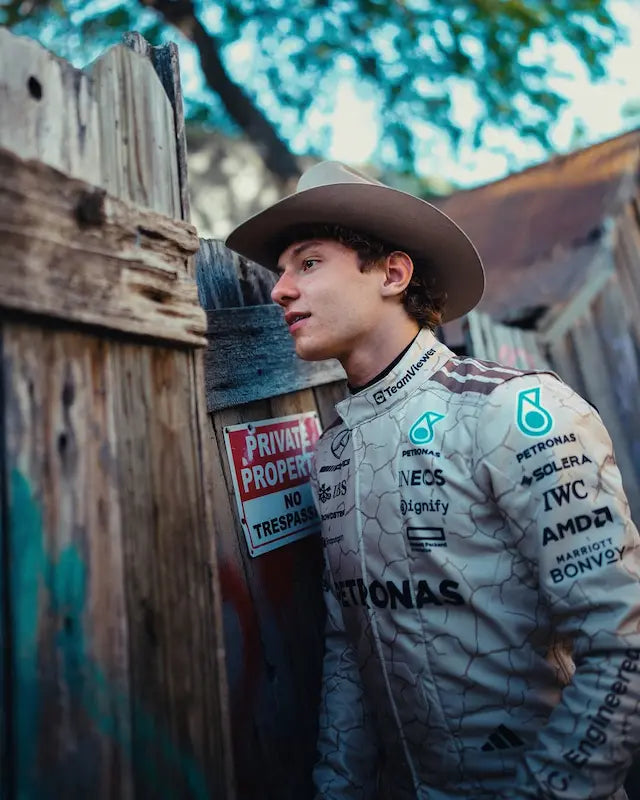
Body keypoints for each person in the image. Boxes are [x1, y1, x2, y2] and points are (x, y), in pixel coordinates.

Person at [226, 162, 640, 799]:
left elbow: (624, 643)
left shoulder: (515, 413)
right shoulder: (333, 454)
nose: (279, 288)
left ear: (392, 274)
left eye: (308, 262)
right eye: (281, 269)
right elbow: (349, 645)